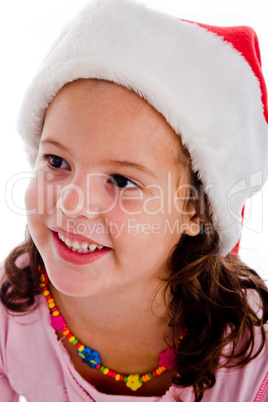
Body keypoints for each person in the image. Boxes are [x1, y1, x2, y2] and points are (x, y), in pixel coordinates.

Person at [1, 0, 268, 401]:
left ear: (195, 208)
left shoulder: (252, 356)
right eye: (57, 161)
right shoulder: (14, 310)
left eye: (122, 180)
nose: (73, 204)